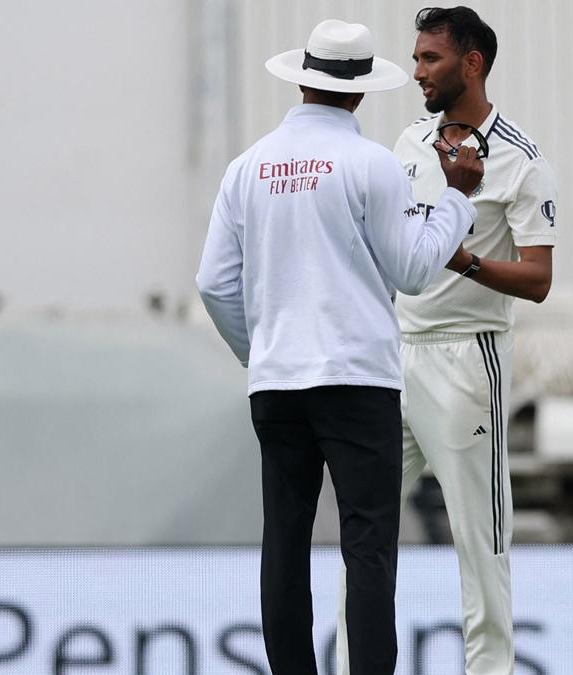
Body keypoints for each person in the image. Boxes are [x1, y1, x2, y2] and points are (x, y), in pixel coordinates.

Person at [195, 19, 483, 675]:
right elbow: (411, 270)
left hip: (277, 381)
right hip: (357, 380)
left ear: (302, 77)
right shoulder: (369, 163)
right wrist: (457, 201)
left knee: (285, 543)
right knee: (369, 545)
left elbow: (213, 282)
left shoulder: (248, 167)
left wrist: (257, 348)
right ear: (359, 94)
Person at [332, 7, 556, 675]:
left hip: (468, 355)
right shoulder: (406, 142)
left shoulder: (520, 158)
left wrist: (464, 263)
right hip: (393, 354)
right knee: (364, 534)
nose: (417, 70)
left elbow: (539, 279)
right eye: (418, 57)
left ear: (472, 64)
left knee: (479, 542)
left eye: (430, 58)